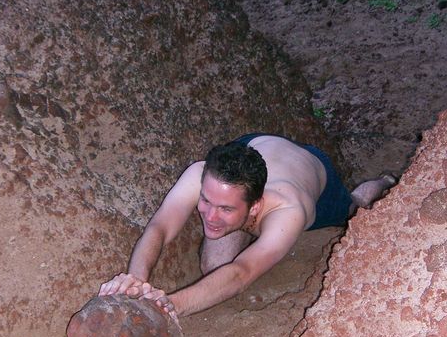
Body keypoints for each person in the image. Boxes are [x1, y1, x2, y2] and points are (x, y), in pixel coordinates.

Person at [98, 134, 395, 322]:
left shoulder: (290, 210)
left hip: (313, 172)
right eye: (205, 201)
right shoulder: (204, 175)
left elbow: (242, 273)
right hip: (252, 148)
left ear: (255, 207)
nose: (210, 216)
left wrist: (169, 305)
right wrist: (134, 281)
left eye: (225, 209)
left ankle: (383, 182)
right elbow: (160, 226)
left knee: (356, 210)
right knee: (214, 265)